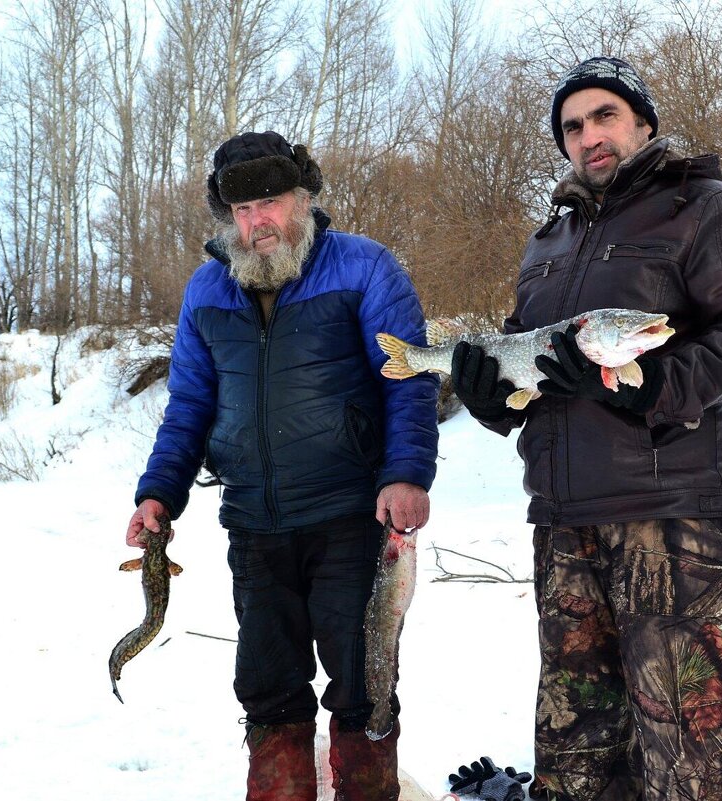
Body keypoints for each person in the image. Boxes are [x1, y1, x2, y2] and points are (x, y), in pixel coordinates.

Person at [450, 57, 722, 801]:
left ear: (642, 122)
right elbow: (528, 371)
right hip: (562, 525)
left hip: (668, 520)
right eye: (572, 126)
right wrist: (489, 397)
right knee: (577, 762)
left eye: (604, 115)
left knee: (688, 762)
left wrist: (655, 385)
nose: (588, 135)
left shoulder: (705, 208)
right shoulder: (549, 244)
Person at [125, 131, 439, 801]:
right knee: (268, 688)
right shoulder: (207, 290)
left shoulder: (363, 267)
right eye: (241, 209)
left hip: (351, 516)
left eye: (268, 202)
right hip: (255, 524)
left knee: (364, 683)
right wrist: (158, 494)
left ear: (301, 198)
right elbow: (189, 405)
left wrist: (407, 472)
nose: (255, 222)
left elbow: (408, 378)